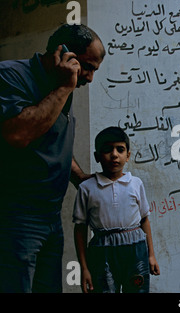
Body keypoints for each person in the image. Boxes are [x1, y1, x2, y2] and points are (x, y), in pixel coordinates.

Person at [0, 24, 105, 293]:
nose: (90, 78)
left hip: (51, 217)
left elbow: (50, 140)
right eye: (88, 67)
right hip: (17, 215)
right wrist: (63, 87)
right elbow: (19, 134)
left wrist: (80, 178)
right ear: (64, 54)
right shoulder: (11, 75)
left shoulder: (60, 86)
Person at [73, 126, 160, 293]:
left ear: (127, 156)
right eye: (107, 149)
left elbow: (144, 220)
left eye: (120, 149)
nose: (114, 155)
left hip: (136, 251)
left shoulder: (136, 183)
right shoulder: (87, 188)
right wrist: (84, 268)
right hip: (101, 253)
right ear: (97, 156)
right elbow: (80, 229)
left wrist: (151, 255)